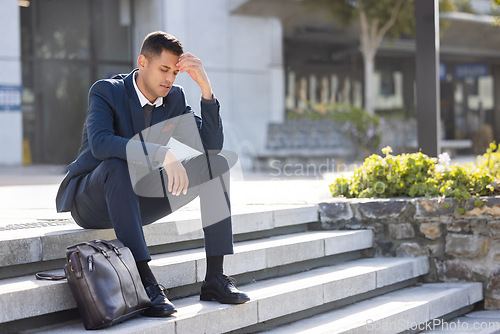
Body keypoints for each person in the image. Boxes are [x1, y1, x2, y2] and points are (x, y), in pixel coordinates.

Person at [56, 31, 249, 317]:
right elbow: (100, 144)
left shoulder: (173, 99)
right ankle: (146, 282)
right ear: (142, 62)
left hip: (138, 200)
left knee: (216, 166)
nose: (170, 79)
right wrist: (160, 154)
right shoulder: (106, 91)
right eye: (163, 69)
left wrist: (206, 89)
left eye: (174, 72)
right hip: (92, 200)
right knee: (116, 164)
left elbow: (211, 146)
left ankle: (215, 278)